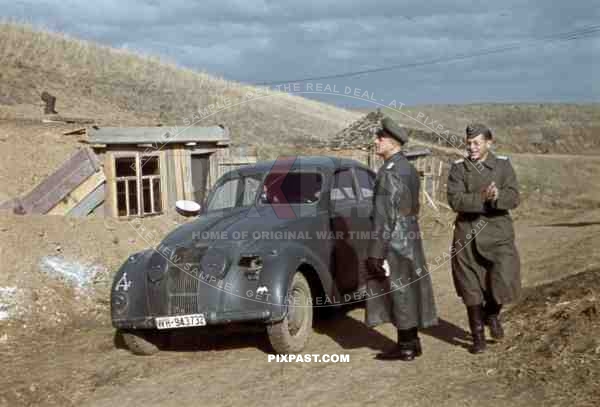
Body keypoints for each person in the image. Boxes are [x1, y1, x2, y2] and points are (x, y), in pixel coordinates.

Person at [365, 117, 438, 361]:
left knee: (398, 290)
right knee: (408, 286)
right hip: (410, 233)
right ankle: (413, 341)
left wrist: (375, 252)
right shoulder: (406, 168)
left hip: (395, 237)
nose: (376, 141)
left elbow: (385, 216)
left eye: (380, 138)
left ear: (393, 143)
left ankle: (406, 345)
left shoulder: (389, 173)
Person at [447, 123, 521, 354]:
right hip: (467, 234)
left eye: (476, 143)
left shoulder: (502, 166)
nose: (471, 147)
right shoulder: (459, 168)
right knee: (470, 288)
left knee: (504, 278)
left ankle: (492, 313)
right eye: (468, 143)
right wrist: (481, 197)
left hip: (498, 233)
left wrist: (498, 197)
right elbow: (455, 200)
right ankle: (477, 336)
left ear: (489, 143)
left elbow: (514, 196)